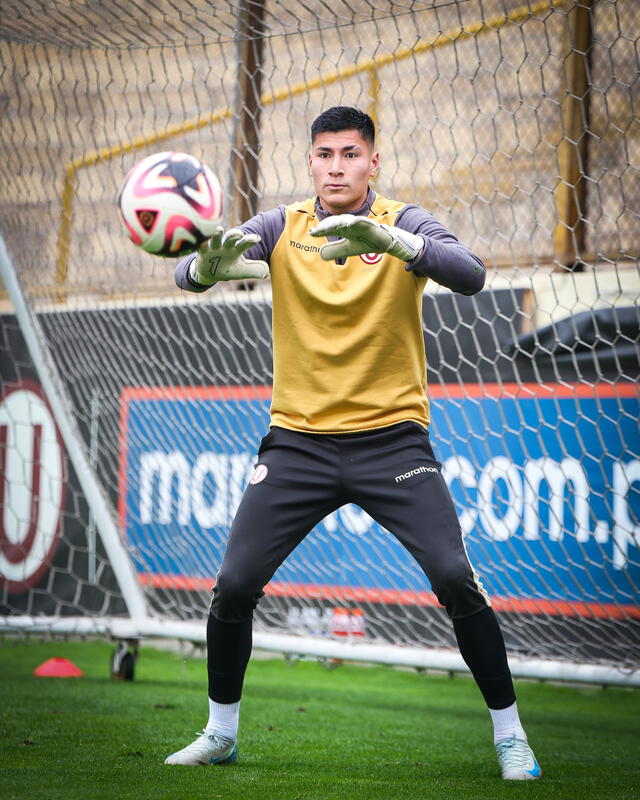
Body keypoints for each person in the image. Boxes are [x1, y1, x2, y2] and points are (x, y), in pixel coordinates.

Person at [164, 106, 541, 781]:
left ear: (374, 161)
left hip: (393, 445)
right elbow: (205, 266)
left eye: (350, 154)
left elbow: (471, 272)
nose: (336, 166)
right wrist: (201, 270)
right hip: (297, 447)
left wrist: (397, 244)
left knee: (456, 578)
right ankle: (221, 731)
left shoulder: (406, 220)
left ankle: (512, 737)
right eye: (324, 155)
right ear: (310, 162)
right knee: (235, 584)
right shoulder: (282, 226)